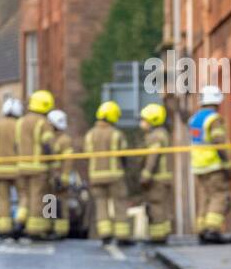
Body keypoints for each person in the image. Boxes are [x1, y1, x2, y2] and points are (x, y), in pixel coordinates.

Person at [85, 100, 130, 245]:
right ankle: (122, 236)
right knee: (119, 203)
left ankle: (105, 234)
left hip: (95, 176)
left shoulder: (90, 135)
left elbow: (86, 155)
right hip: (115, 175)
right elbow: (124, 155)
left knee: (101, 203)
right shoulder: (116, 134)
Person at [189, 85, 230, 243]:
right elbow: (218, 142)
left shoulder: (195, 119)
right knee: (219, 196)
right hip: (213, 164)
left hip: (198, 165)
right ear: (217, 102)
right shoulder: (214, 119)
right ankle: (212, 230)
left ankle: (201, 228)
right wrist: (226, 163)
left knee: (205, 197)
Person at [16, 90, 55, 240]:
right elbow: (48, 146)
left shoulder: (21, 122)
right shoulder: (43, 123)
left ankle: (20, 222)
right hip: (39, 168)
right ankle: (36, 230)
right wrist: (51, 159)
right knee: (38, 198)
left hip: (22, 167)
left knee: (26, 197)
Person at [0, 96, 24, 237]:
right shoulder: (20, 125)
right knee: (24, 196)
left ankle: (4, 229)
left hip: (0, 170)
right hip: (18, 170)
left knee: (3, 200)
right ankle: (20, 222)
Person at [138, 103, 173, 244]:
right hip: (162, 178)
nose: (142, 123)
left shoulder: (156, 137)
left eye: (144, 120)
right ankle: (162, 234)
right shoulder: (161, 134)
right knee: (161, 206)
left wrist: (146, 174)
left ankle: (158, 237)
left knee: (156, 206)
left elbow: (153, 157)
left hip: (157, 178)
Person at [47, 109, 74, 240]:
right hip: (50, 177)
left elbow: (68, 160)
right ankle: (50, 227)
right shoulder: (51, 139)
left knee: (61, 204)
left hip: (59, 177)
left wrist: (64, 176)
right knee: (49, 201)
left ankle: (61, 230)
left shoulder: (64, 140)